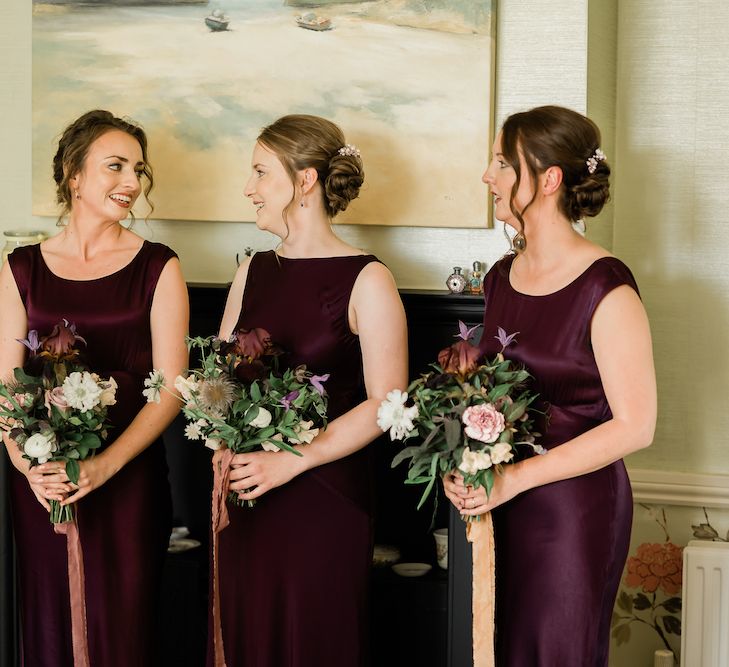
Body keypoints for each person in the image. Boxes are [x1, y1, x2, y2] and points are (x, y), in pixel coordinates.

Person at [442, 105, 657, 666]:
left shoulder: (606, 287)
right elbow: (491, 393)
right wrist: (468, 471)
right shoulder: (498, 279)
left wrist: (513, 479)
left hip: (572, 511)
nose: (487, 176)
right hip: (500, 504)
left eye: (500, 163)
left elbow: (637, 425)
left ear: (549, 179)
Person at [210, 114, 408, 667]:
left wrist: (292, 460)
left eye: (260, 173)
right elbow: (218, 380)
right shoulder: (251, 270)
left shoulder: (368, 279)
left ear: (305, 181)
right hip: (247, 492)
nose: (248, 188)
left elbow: (386, 403)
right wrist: (220, 438)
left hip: (324, 499)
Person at [0, 109, 189, 666]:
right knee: (49, 625)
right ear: (73, 175)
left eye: (137, 168)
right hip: (42, 485)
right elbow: (7, 387)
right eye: (115, 166)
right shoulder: (20, 269)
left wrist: (104, 466)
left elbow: (172, 387)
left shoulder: (159, 266)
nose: (131, 181)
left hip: (127, 482)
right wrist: (27, 465)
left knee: (123, 631)